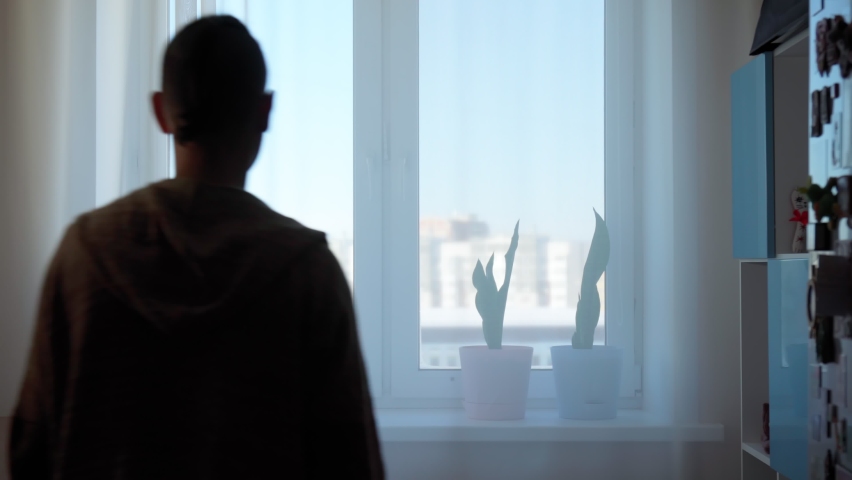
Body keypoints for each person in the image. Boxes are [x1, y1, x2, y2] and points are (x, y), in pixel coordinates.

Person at [8, 15, 384, 479]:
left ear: (161, 111)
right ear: (264, 112)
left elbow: (31, 446)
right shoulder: (307, 272)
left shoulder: (84, 254)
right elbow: (351, 461)